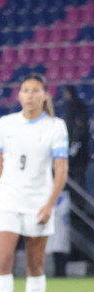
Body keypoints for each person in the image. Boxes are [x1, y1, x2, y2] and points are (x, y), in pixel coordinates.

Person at [0, 73, 68, 292]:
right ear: (18, 95)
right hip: (7, 201)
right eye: (25, 90)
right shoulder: (6, 124)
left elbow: (61, 169)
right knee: (4, 260)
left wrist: (49, 204)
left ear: (45, 95)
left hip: (38, 203)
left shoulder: (56, 126)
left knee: (35, 264)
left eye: (35, 91)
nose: (29, 95)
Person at [62, 85, 91, 261]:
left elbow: (79, 137)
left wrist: (70, 156)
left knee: (77, 181)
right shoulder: (69, 115)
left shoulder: (78, 112)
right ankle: (75, 202)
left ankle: (79, 203)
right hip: (72, 161)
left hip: (78, 161)